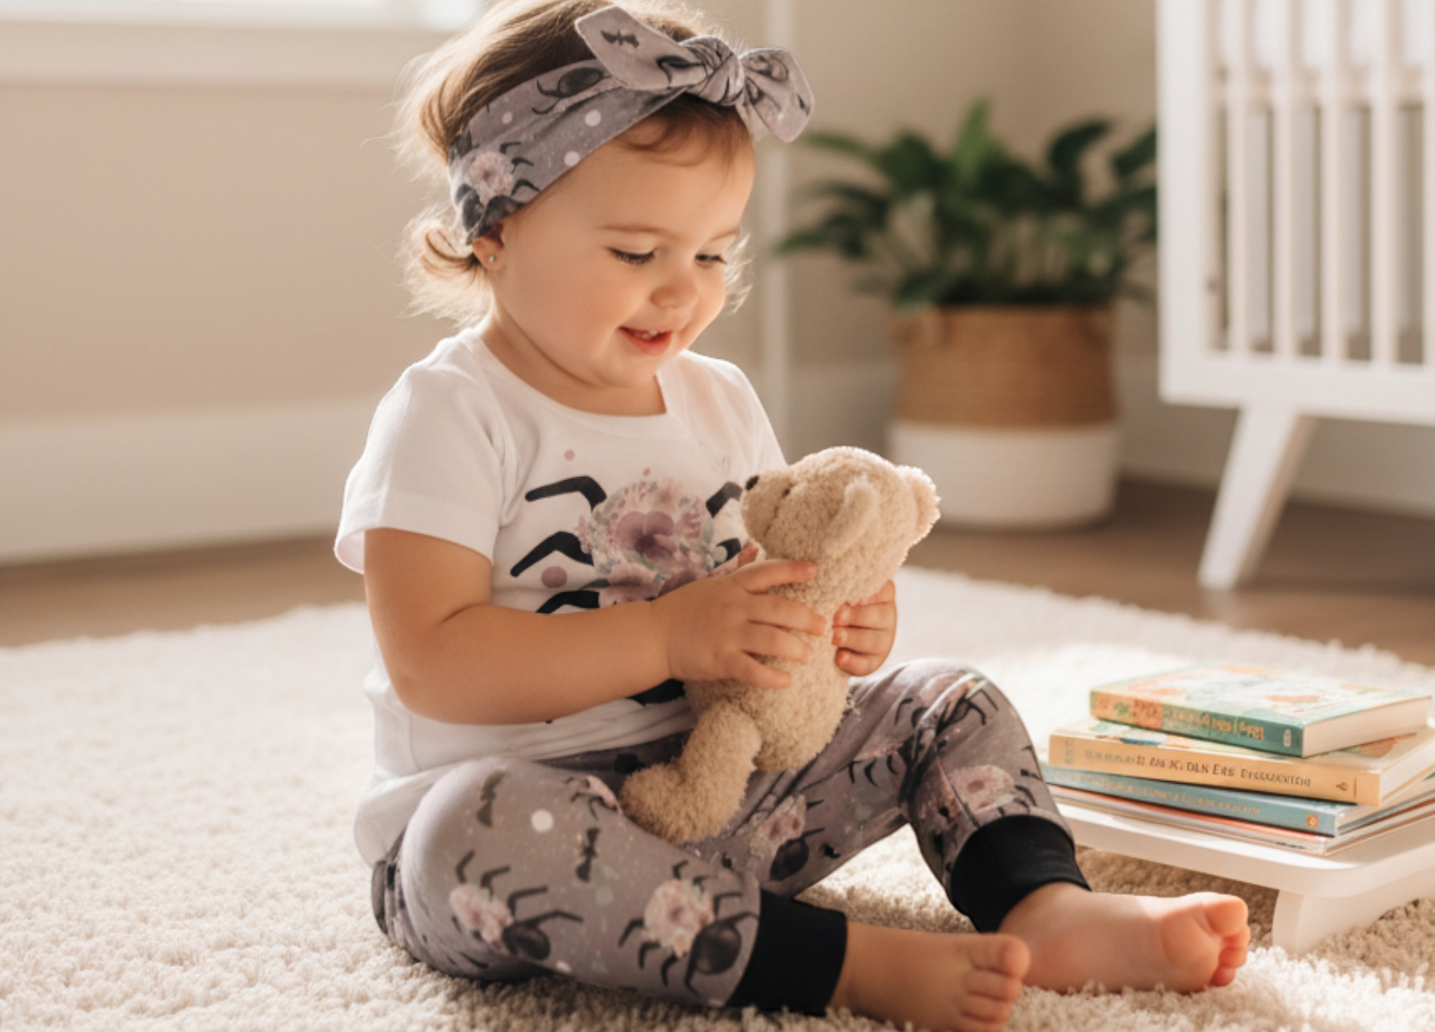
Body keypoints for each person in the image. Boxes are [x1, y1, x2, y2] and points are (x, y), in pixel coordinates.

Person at [335, 2, 1251, 1029]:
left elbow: (780, 580)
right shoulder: (453, 411)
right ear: (494, 229)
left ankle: (1042, 905)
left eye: (713, 255)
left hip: (723, 792)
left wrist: (841, 626)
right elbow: (432, 661)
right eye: (637, 253)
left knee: (946, 697)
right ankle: (835, 966)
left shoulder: (717, 399)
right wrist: (662, 636)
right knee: (475, 824)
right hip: (527, 839)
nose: (680, 292)